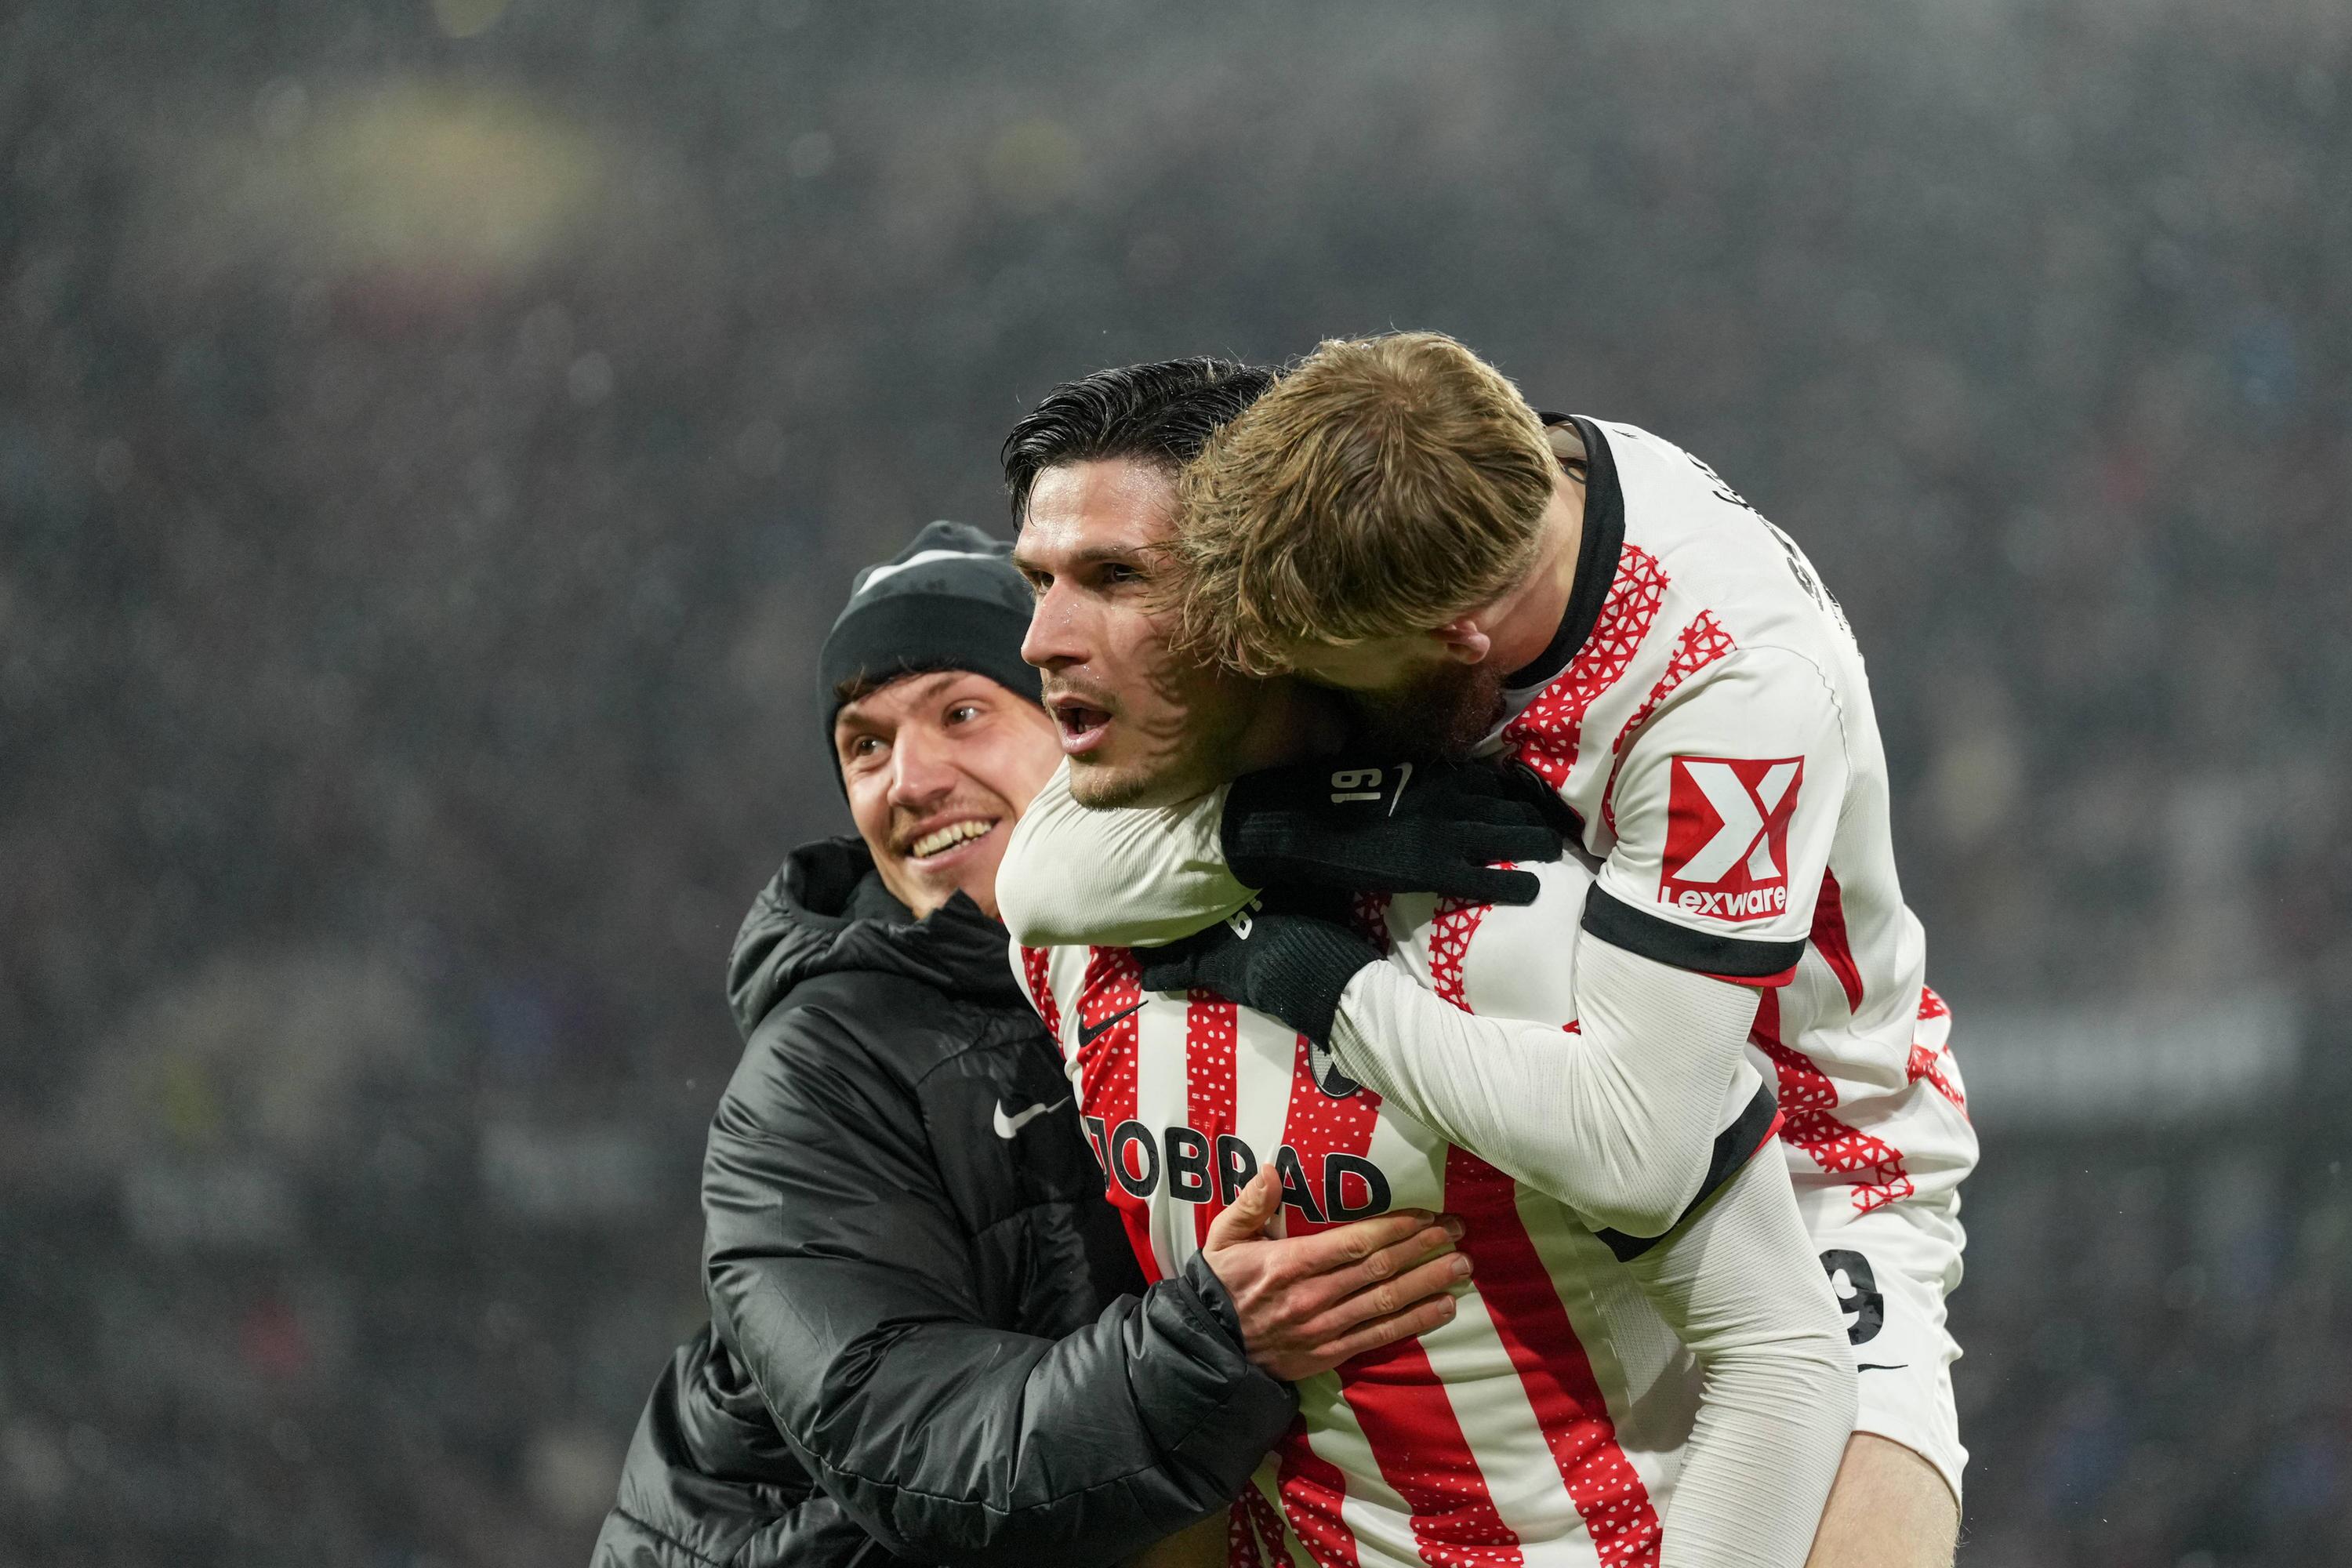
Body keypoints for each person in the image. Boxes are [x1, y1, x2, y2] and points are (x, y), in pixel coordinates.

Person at [998, 336, 1976, 1567]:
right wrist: (1273, 827)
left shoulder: (1729, 690)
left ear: (1455, 639)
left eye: (1119, 578)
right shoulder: (1431, 481)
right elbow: (1040, 883)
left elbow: (1638, 1146)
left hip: (1816, 1152)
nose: (1264, 645)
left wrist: (1331, 989)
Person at [593, 521, 1479, 1568]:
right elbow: (904, 1438)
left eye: (960, 714)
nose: (908, 779)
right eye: (864, 746)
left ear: (1078, 725)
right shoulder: (820, 1066)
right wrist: (1211, 1344)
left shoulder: (1192, 951)